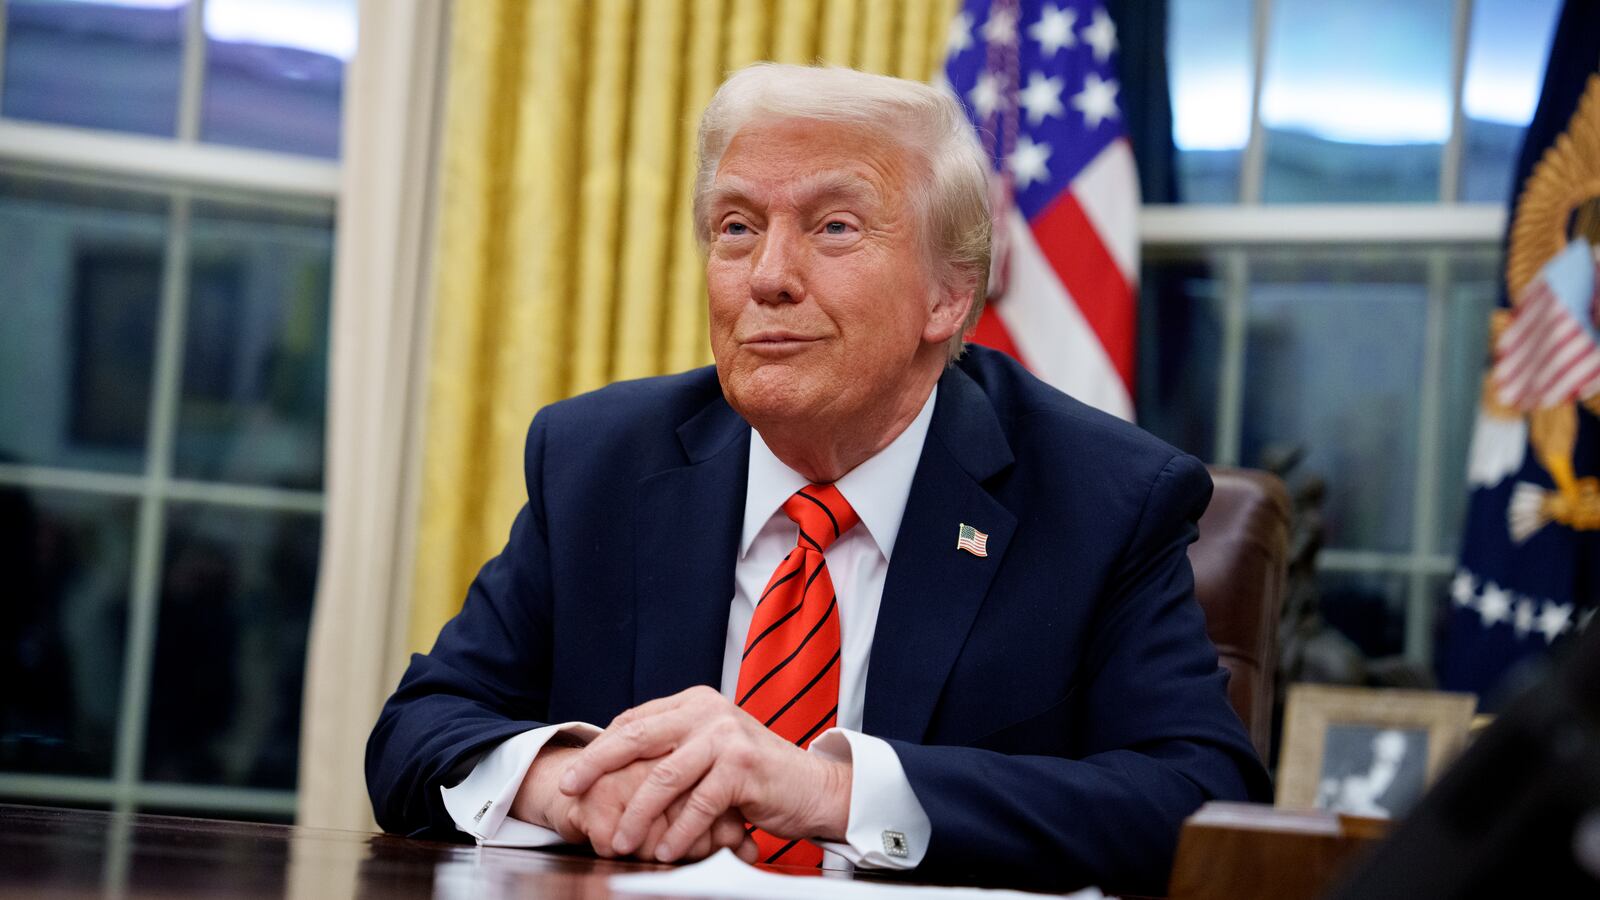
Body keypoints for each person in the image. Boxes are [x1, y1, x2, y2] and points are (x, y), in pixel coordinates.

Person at [366, 63, 1269, 895]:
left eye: (834, 227)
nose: (767, 277)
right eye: (736, 227)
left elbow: (1201, 803)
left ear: (947, 295)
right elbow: (417, 730)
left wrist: (826, 789)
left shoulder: (1102, 499)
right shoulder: (601, 459)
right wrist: (569, 784)